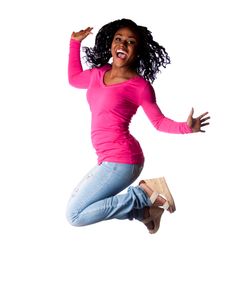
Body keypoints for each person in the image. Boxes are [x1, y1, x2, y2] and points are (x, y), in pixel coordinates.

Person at [66, 18, 210, 234]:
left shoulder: (139, 86)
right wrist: (74, 42)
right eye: (119, 39)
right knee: (85, 210)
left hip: (123, 159)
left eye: (130, 42)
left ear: (137, 51)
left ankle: (143, 194)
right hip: (107, 158)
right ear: (111, 45)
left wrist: (187, 127)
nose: (123, 45)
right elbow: (74, 79)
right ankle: (144, 212)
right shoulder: (97, 74)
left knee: (75, 215)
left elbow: (159, 122)